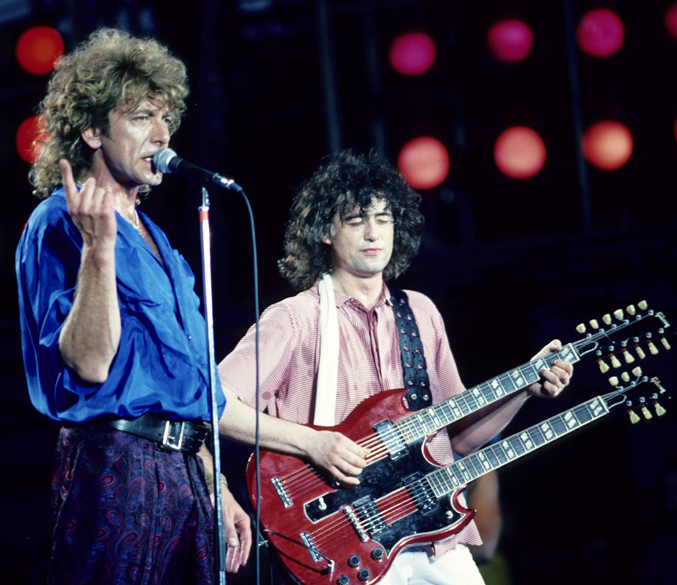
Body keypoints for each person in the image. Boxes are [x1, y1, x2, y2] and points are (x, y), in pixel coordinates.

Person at [216, 149, 573, 585]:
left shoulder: (420, 313)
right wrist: (312, 443)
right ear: (326, 231)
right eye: (356, 220)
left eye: (383, 219)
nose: (372, 233)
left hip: (432, 533)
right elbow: (213, 404)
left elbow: (459, 441)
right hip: (342, 540)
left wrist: (524, 389)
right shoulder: (293, 318)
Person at [15, 27, 250, 585]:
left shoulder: (163, 245)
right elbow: (91, 364)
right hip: (116, 465)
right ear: (94, 129)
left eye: (167, 117)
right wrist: (98, 251)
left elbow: (188, 392)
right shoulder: (58, 223)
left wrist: (217, 486)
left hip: (187, 470)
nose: (163, 135)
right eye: (143, 116)